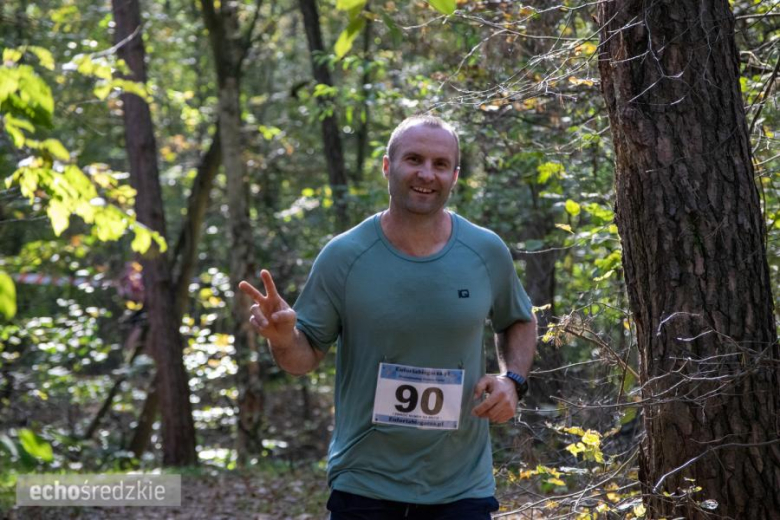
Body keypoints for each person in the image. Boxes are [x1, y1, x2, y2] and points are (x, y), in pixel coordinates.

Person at [239, 115, 537, 519]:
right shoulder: (344, 256)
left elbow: (518, 319)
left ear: (454, 176)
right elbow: (302, 358)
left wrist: (512, 380)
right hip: (365, 483)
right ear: (387, 166)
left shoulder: (486, 252)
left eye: (440, 164)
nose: (426, 174)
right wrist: (282, 339)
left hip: (461, 485)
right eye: (414, 159)